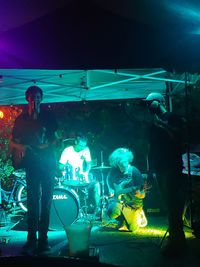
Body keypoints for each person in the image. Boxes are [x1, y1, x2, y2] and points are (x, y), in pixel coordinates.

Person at [9, 85, 58, 256]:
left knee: (46, 203)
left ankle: (43, 241)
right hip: (31, 164)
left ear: (41, 99)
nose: (34, 100)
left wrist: (45, 146)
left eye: (37, 97)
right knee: (32, 203)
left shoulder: (49, 117)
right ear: (27, 99)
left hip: (48, 164)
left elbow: (55, 139)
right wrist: (21, 146)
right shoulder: (21, 119)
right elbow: (12, 142)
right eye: (31, 97)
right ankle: (31, 241)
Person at [144, 92, 188, 257]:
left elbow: (179, 138)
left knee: (173, 206)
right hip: (160, 169)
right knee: (168, 205)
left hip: (172, 167)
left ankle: (177, 242)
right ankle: (177, 240)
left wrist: (162, 123)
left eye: (150, 103)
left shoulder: (172, 118)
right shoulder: (153, 124)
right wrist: (149, 172)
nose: (148, 106)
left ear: (159, 102)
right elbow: (151, 149)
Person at [59, 132, 101, 216]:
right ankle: (73, 210)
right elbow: (60, 166)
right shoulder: (67, 151)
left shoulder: (86, 149)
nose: (82, 148)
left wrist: (86, 172)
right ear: (75, 142)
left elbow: (89, 163)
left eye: (84, 146)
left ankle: (98, 209)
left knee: (96, 184)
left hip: (81, 177)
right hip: (70, 178)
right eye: (81, 145)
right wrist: (65, 170)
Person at [105, 147, 147, 232]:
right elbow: (108, 179)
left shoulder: (134, 171)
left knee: (132, 229)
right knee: (112, 211)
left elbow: (143, 193)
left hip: (133, 204)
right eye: (122, 162)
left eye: (126, 162)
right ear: (116, 162)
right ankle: (122, 220)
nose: (125, 164)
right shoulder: (113, 171)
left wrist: (140, 194)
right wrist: (110, 189)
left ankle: (138, 213)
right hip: (119, 202)